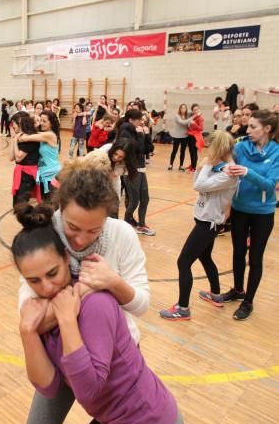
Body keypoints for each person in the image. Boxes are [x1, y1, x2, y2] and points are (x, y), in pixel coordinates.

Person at [0, 166, 150, 424]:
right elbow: (29, 304)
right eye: (74, 227)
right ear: (60, 213)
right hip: (61, 358)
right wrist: (64, 311)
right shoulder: (47, 229)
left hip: (114, 357)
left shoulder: (121, 236)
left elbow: (141, 303)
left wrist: (113, 283)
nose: (81, 239)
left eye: (94, 230)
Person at [13, 203, 186, 424]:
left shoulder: (94, 305)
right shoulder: (48, 309)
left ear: (66, 259)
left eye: (53, 273)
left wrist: (66, 321)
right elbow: (47, 385)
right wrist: (28, 332)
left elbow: (89, 393)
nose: (46, 287)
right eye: (34, 280)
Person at [160, 131, 238, 321]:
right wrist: (201, 167)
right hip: (205, 220)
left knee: (183, 262)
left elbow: (199, 186)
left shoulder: (229, 171)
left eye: (211, 146)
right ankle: (216, 294)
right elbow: (197, 182)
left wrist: (207, 165)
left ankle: (183, 308)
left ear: (218, 147)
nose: (208, 150)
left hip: (208, 223)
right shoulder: (219, 167)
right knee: (205, 257)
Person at [220, 110, 279, 320]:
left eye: (253, 126)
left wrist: (247, 172)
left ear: (267, 129)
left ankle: (248, 301)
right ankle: (238, 290)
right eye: (248, 126)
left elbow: (270, 185)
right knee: (237, 252)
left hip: (262, 213)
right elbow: (223, 162)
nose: (248, 129)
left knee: (255, 258)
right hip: (239, 209)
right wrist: (220, 168)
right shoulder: (242, 146)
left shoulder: (276, 152)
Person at [119, 110, 155, 236]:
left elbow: (148, 149)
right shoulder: (125, 132)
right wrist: (140, 135)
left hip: (141, 168)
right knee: (134, 200)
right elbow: (136, 149)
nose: (141, 122)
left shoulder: (138, 131)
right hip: (131, 170)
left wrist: (147, 135)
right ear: (131, 120)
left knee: (145, 199)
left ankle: (141, 225)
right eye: (139, 119)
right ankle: (126, 222)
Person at [18, 110, 61, 201]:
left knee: (51, 204)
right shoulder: (44, 134)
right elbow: (32, 134)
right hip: (43, 173)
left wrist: (19, 136)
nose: (41, 123)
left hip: (51, 174)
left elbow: (25, 138)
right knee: (45, 203)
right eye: (40, 120)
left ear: (52, 123)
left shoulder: (50, 135)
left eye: (44, 121)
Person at [10, 112, 41, 206]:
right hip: (21, 172)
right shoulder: (21, 137)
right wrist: (14, 139)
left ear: (20, 123)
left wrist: (15, 142)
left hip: (28, 174)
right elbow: (11, 157)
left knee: (20, 205)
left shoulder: (30, 138)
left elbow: (18, 157)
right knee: (16, 205)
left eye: (13, 124)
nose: (12, 126)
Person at [168, 104, 191, 171]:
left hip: (185, 136)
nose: (183, 109)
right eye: (182, 108)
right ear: (180, 109)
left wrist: (197, 113)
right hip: (177, 136)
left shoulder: (187, 115)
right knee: (174, 150)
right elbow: (183, 122)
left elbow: (193, 112)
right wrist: (192, 118)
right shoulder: (177, 116)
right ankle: (171, 164)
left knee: (183, 151)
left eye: (184, 108)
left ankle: (181, 166)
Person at [186, 104, 204, 172]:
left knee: (194, 152)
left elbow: (201, 128)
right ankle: (192, 165)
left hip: (196, 137)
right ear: (192, 111)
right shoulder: (193, 117)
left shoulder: (200, 118)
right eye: (194, 110)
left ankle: (194, 168)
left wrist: (194, 124)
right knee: (190, 151)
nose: (196, 111)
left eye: (197, 109)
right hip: (190, 136)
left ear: (199, 109)